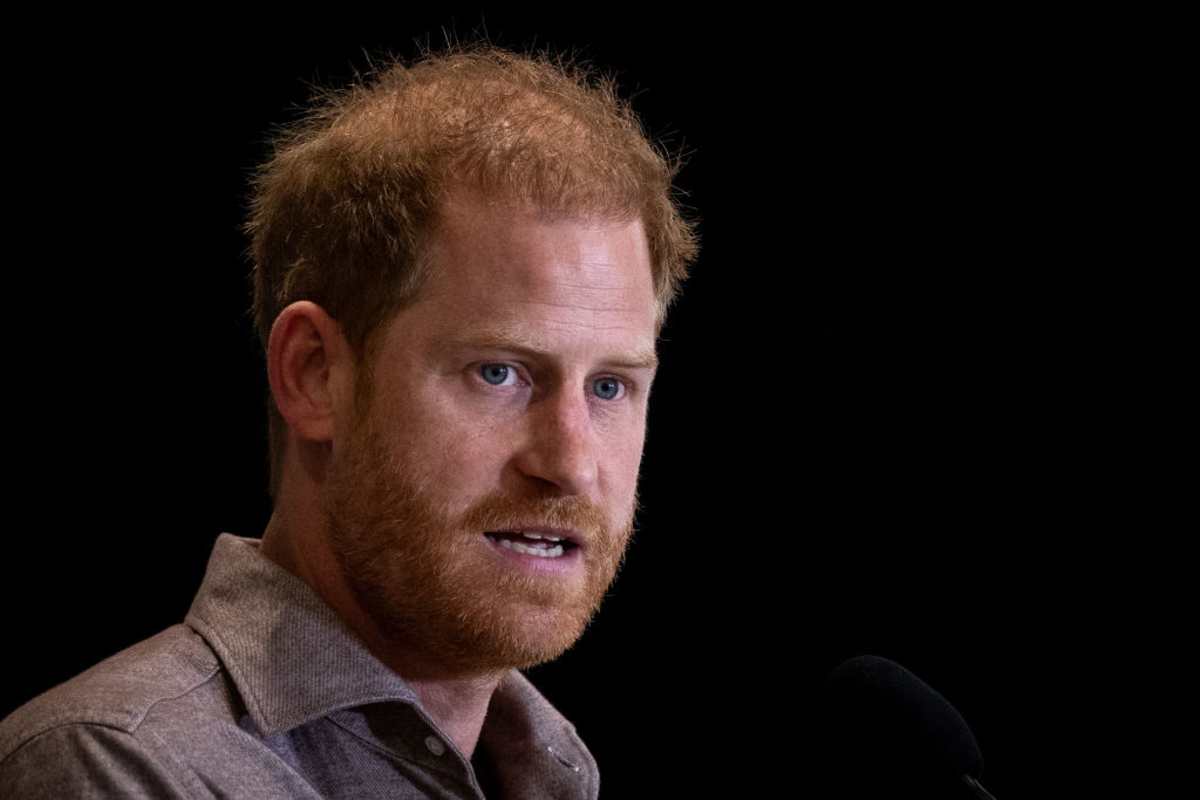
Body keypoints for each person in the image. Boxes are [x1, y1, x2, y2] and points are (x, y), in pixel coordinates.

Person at [0, 44, 698, 799]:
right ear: (313, 374)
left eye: (610, 387)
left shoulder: (552, 768)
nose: (569, 460)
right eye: (498, 372)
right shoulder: (114, 769)